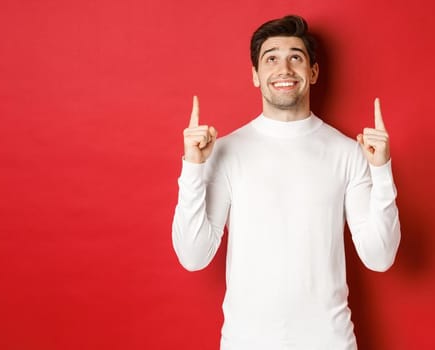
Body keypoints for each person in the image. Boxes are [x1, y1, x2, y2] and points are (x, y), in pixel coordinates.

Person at [172, 14, 401, 350]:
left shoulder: (348, 153)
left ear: (313, 72)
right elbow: (193, 256)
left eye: (296, 57)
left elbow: (380, 258)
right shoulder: (224, 152)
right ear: (255, 75)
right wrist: (193, 167)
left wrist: (381, 171)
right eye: (271, 59)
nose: (284, 69)